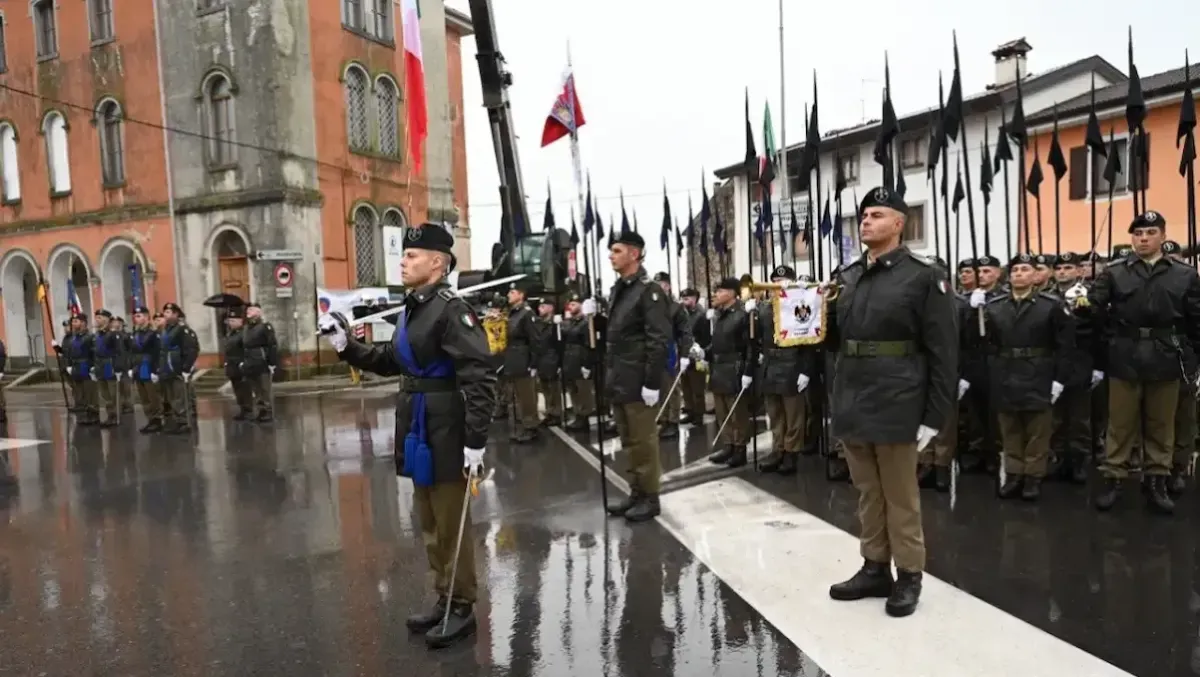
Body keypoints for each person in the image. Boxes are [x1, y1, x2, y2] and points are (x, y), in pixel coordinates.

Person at [318, 223, 495, 649]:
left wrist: (475, 441)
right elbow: (391, 360)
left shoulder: (452, 310)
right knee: (430, 521)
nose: (403, 260)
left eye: (412, 256)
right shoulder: (414, 307)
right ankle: (444, 596)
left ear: (438, 263)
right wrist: (347, 347)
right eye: (405, 254)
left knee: (450, 522)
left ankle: (463, 606)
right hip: (418, 425)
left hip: (448, 427)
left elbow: (479, 376)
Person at [826, 186, 957, 618]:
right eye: (863, 215)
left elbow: (943, 350)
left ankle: (910, 574)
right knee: (867, 492)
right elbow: (833, 342)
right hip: (854, 397)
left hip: (899, 398)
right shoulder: (846, 277)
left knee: (900, 495)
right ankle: (874, 565)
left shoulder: (923, 276)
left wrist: (934, 415)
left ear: (899, 223)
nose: (866, 221)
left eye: (877, 215)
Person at [1088, 211, 1200, 514]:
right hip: (1125, 354)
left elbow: (1195, 320)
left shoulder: (1185, 274)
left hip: (1167, 355)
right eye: (1138, 234)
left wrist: (1193, 361)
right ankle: (1114, 479)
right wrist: (1085, 302)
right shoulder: (1114, 273)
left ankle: (1157, 481)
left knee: (1161, 425)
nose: (1143, 239)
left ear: (1163, 236)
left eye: (1150, 233)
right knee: (1120, 424)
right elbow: (1095, 315)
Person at [981, 253, 1075, 501]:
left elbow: (1065, 345)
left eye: (1025, 270)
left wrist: (1059, 379)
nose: (1019, 274)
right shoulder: (994, 306)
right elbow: (985, 343)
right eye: (1015, 271)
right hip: (1006, 371)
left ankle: (1033, 477)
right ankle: (1013, 474)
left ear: (1036, 275)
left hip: (1039, 371)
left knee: (1037, 430)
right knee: (1009, 429)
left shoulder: (1051, 305)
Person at [600, 230, 671, 522]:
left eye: (616, 251)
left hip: (639, 379)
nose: (611, 256)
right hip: (620, 378)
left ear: (634, 253)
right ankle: (636, 492)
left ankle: (650, 497)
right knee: (628, 440)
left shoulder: (649, 290)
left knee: (643, 440)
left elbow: (658, 339)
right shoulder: (619, 290)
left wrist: (652, 382)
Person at [754, 265, 814, 475]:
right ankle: (778, 449)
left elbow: (808, 340)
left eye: (784, 280)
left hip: (792, 363)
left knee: (794, 414)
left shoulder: (800, 304)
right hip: (771, 363)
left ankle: (792, 452)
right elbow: (759, 338)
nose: (779, 285)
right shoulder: (764, 307)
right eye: (775, 281)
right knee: (775, 412)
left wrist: (806, 370)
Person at [705, 278, 753, 468]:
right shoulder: (721, 315)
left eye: (720, 290)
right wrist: (703, 352)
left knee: (737, 413)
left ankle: (740, 448)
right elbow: (717, 343)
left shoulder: (742, 315)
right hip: (718, 369)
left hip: (734, 368)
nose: (716, 294)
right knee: (722, 412)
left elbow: (750, 346)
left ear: (732, 293)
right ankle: (729, 445)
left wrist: (748, 371)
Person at [503, 285, 539, 442]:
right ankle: (517, 428)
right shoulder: (512, 314)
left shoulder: (527, 314)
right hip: (511, 360)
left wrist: (533, 363)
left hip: (523, 360)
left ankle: (530, 427)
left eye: (512, 292)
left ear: (521, 295)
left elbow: (535, 340)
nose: (508, 295)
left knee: (526, 397)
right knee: (513, 396)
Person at [159, 303, 200, 434]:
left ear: (176, 314)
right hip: (168, 367)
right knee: (172, 397)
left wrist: (186, 367)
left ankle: (184, 422)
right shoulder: (166, 329)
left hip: (178, 367)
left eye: (169, 312)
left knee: (181, 396)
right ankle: (177, 420)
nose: (166, 315)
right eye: (165, 312)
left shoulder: (183, 329)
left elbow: (192, 349)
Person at [53, 314, 98, 424]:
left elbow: (94, 352)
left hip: (86, 365)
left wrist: (93, 366)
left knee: (89, 391)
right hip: (76, 365)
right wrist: (68, 364)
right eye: (73, 322)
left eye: (76, 321)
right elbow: (68, 353)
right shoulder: (74, 338)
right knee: (79, 389)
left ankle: (94, 414)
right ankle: (85, 410)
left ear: (83, 323)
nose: (73, 324)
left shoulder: (90, 337)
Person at [128, 306, 164, 433]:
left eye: (139, 316)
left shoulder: (153, 334)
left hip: (148, 366)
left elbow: (158, 352)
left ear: (146, 317)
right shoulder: (135, 333)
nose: (136, 319)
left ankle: (157, 419)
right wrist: (131, 367)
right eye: (135, 316)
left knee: (152, 394)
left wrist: (156, 370)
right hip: (138, 367)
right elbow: (131, 352)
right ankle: (150, 419)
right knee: (143, 396)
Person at [242, 303, 278, 422]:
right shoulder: (246, 328)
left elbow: (272, 344)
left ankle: (267, 411)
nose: (248, 312)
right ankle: (260, 410)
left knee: (264, 388)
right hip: (250, 361)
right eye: (248, 310)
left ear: (258, 313)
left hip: (261, 361)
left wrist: (272, 362)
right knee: (256, 389)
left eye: (251, 310)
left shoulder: (264, 327)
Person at [223, 307, 255, 420]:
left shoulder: (244, 333)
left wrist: (244, 363)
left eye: (233, 320)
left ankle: (248, 410)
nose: (231, 323)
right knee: (237, 389)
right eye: (230, 320)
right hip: (232, 366)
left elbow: (247, 349)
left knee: (245, 389)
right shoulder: (230, 334)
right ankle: (242, 409)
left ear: (240, 321)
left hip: (241, 365)